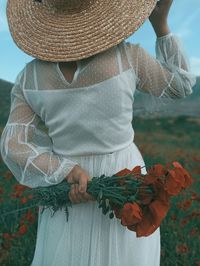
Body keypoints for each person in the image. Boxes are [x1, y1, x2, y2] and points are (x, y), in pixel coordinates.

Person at [0, 0, 196, 265]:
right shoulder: (127, 57)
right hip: (124, 179)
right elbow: (181, 85)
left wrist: (65, 169)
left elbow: (13, 145)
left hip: (66, 185)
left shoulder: (30, 77)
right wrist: (160, 26)